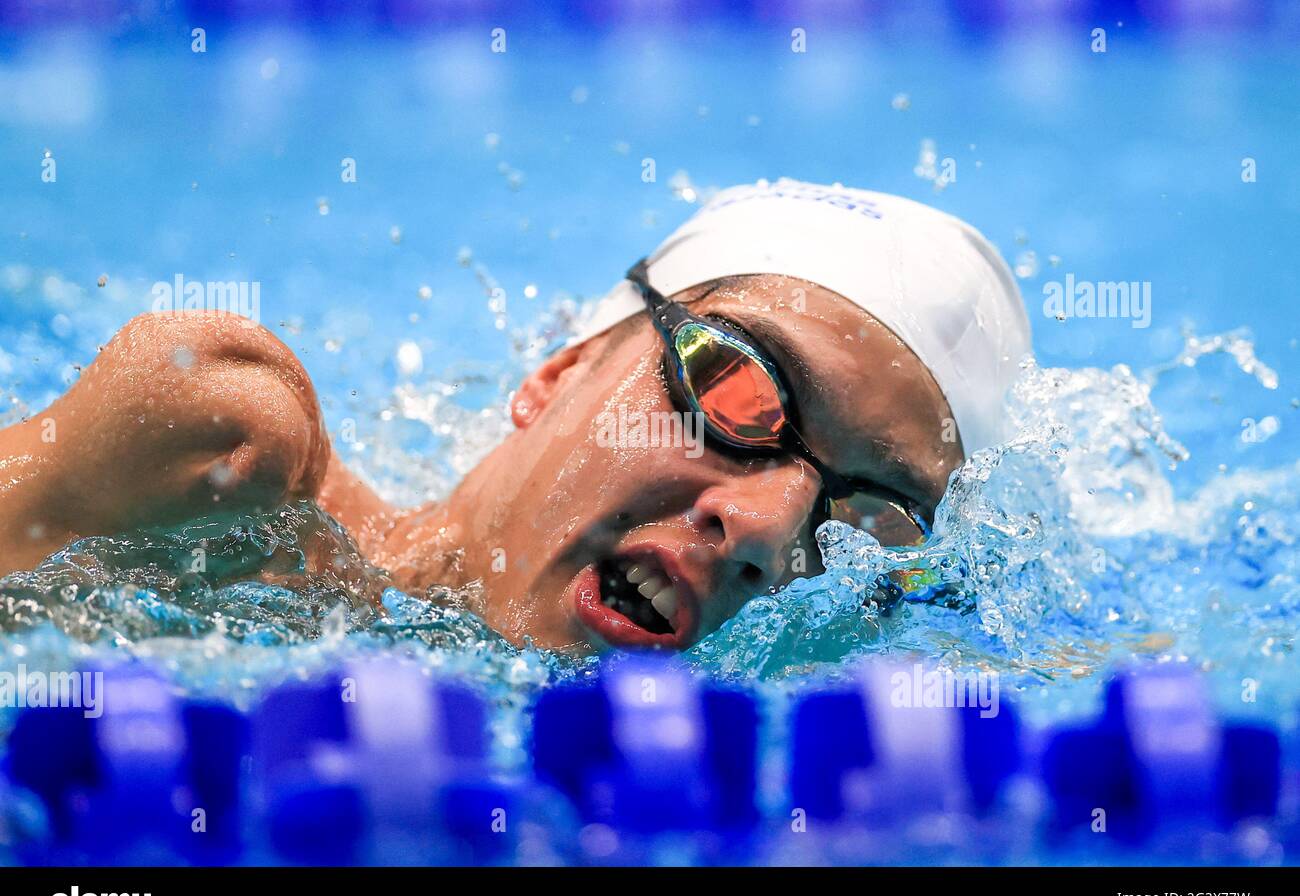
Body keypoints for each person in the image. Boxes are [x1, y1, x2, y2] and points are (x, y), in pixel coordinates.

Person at [0, 179, 1031, 654]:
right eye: (739, 390)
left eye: (868, 518)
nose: (766, 528)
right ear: (563, 368)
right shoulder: (225, 467)